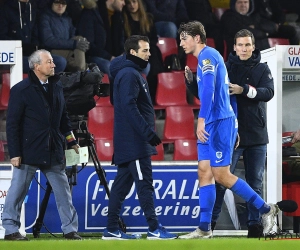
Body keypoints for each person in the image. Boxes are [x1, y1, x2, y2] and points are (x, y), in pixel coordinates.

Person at [177, 21, 278, 239]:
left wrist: (201, 119)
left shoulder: (207, 56)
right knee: (204, 172)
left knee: (222, 175)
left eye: (184, 38)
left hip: (219, 123)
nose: (181, 42)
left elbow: (210, 89)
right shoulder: (207, 58)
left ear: (196, 38)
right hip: (215, 121)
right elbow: (211, 90)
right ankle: (204, 228)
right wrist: (191, 83)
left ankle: (267, 210)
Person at [102, 35, 177, 240]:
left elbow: (120, 103)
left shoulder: (129, 73)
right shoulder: (129, 74)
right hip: (135, 141)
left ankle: (111, 228)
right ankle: (154, 228)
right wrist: (147, 132)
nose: (149, 54)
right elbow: (127, 106)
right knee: (144, 185)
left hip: (130, 140)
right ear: (133, 53)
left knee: (121, 186)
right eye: (145, 50)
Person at [2, 49, 82, 241]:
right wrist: (14, 153)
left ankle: (70, 230)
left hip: (53, 149)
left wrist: (71, 141)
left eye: (52, 61)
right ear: (36, 66)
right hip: (28, 151)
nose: (54, 65)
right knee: (17, 191)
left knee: (63, 192)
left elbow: (63, 118)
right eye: (49, 62)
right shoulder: (21, 90)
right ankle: (11, 230)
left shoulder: (57, 87)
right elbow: (12, 124)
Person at [210, 29, 275, 238]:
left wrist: (244, 89)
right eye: (240, 45)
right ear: (234, 47)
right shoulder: (226, 68)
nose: (244, 49)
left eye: (247, 45)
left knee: (255, 182)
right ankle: (209, 225)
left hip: (257, 136)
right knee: (221, 180)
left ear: (253, 46)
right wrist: (191, 83)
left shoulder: (263, 69)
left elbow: (268, 93)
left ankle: (254, 226)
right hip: (231, 136)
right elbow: (211, 93)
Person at [0, 0, 67, 73]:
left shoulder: (33, 8)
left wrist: (35, 48)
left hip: (31, 55)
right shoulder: (5, 8)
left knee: (60, 62)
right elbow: (2, 36)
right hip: (11, 56)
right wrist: (21, 46)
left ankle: (42, 83)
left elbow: (35, 35)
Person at [122, 0, 164, 102]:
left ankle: (153, 98)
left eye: (134, 2)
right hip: (133, 52)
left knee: (154, 63)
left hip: (149, 50)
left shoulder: (148, 18)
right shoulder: (123, 19)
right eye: (128, 3)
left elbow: (154, 38)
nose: (132, 5)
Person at [39, 0, 89, 72]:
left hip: (67, 50)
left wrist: (81, 44)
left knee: (80, 40)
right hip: (50, 51)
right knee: (78, 42)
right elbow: (48, 41)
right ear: (51, 3)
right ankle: (83, 70)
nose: (60, 6)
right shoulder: (45, 17)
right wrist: (74, 44)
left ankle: (81, 69)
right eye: (57, 2)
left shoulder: (67, 19)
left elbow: (73, 37)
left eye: (63, 3)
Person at [77, 0, 114, 77]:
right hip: (91, 56)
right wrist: (109, 57)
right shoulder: (87, 14)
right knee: (108, 66)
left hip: (102, 54)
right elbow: (89, 45)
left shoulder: (99, 9)